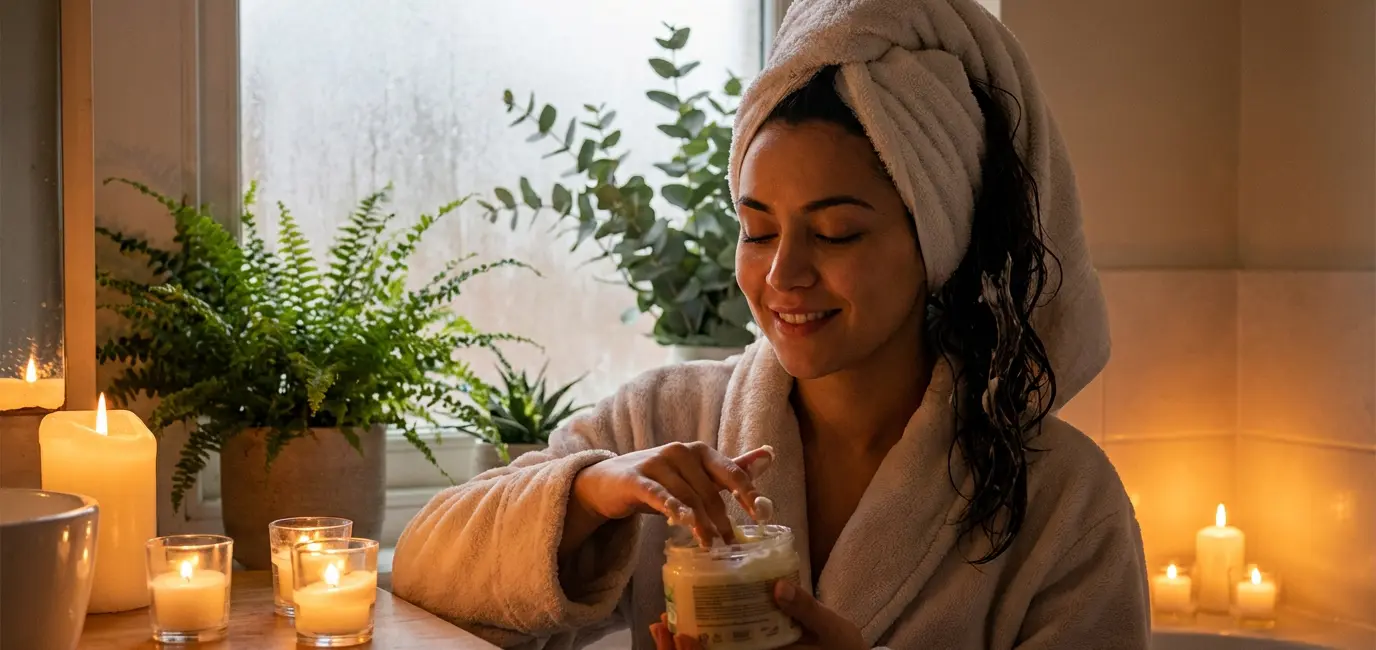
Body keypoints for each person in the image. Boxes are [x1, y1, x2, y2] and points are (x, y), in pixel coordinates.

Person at [392, 0, 1149, 648]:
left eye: (838, 233)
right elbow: (427, 568)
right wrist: (592, 491)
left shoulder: (1062, 503)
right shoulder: (663, 423)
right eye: (757, 231)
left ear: (936, 242)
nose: (782, 274)